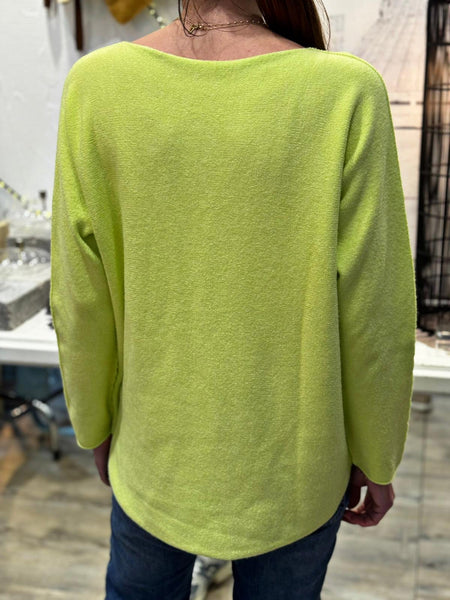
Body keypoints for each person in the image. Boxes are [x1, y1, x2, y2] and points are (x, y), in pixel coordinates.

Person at [49, 0, 417, 597]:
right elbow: (376, 313)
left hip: (152, 458)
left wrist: (92, 424)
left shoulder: (98, 86)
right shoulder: (344, 92)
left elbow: (78, 299)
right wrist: (378, 455)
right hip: (296, 473)